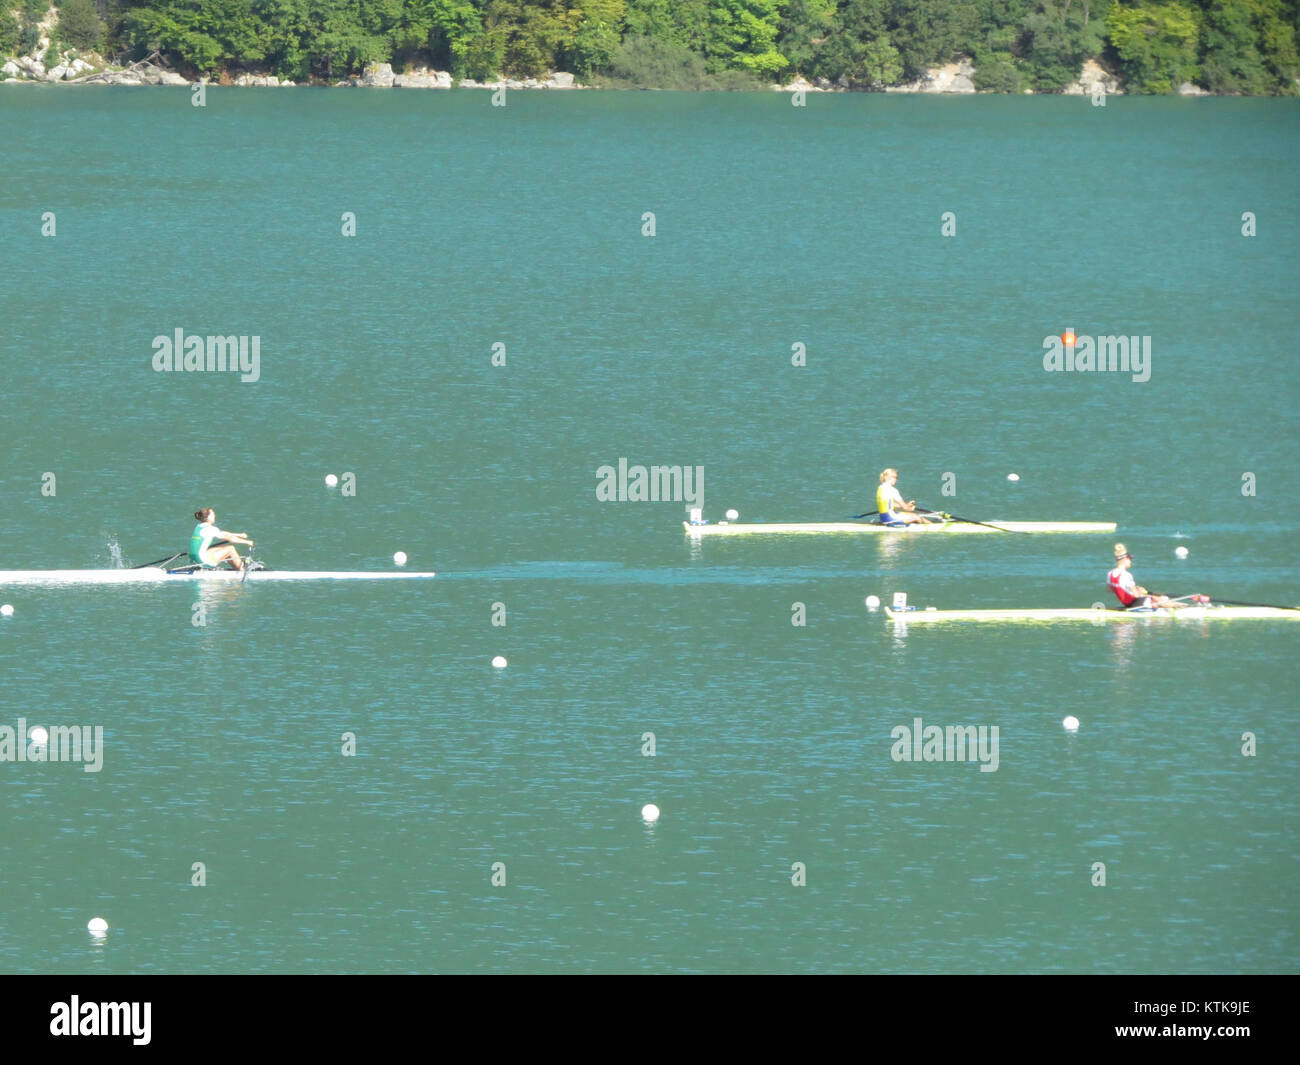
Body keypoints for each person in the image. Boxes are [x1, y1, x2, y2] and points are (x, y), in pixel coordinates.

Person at [1107, 543, 1183, 610]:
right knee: (1158, 598)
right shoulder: (1126, 575)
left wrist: (1135, 589)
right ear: (1125, 559)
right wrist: (1140, 592)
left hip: (1127, 604)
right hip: (1136, 604)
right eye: (1130, 559)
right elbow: (1136, 595)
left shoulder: (1110, 573)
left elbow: (1110, 590)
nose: (1131, 561)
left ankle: (1179, 605)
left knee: (1159, 598)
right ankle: (1184, 607)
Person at [190, 508, 254, 571]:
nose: (215, 516)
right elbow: (231, 539)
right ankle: (241, 569)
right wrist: (247, 542)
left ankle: (237, 566)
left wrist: (239, 535)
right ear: (208, 517)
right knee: (230, 549)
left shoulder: (199, 526)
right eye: (213, 514)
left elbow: (223, 533)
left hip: (194, 559)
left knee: (220, 548)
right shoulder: (210, 529)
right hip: (202, 560)